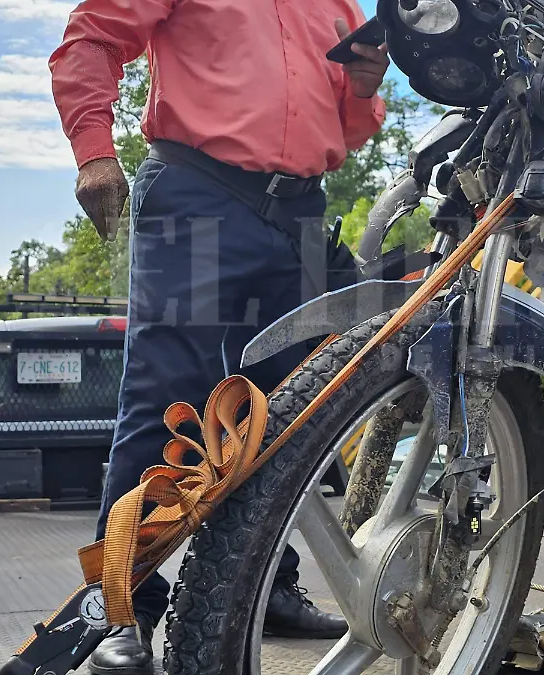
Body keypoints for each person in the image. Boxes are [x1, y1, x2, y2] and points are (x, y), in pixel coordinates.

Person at [48, 1, 389, 673]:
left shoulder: (338, 6)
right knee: (166, 401)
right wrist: (94, 151)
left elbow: (348, 129)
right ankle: (117, 607)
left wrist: (365, 86)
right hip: (198, 193)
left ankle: (270, 587)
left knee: (296, 410)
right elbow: (89, 39)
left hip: (300, 212)